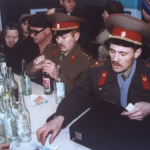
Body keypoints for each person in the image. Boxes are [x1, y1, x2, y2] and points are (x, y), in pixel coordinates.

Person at [36, 14, 150, 145]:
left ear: (137, 53)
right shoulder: (99, 71)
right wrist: (59, 118)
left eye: (123, 54)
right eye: (112, 51)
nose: (115, 59)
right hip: (107, 132)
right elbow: (79, 96)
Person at [27, 13, 94, 94]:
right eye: (57, 37)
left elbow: (82, 93)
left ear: (76, 36)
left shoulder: (87, 63)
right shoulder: (49, 49)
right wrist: (34, 69)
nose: (59, 41)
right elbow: (26, 72)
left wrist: (58, 77)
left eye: (63, 37)